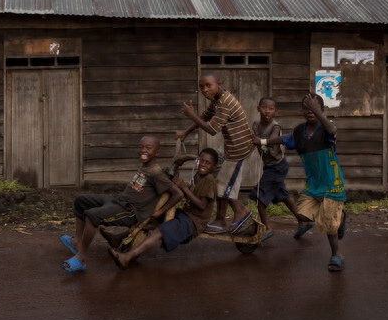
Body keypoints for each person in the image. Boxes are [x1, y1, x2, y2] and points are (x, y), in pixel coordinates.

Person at [59, 135, 180, 272]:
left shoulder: (156, 173)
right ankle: (77, 242)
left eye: (148, 148)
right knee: (81, 201)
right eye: (141, 147)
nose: (143, 150)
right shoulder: (146, 167)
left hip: (131, 210)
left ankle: (81, 258)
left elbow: (178, 194)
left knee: (92, 216)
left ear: (157, 153)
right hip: (119, 200)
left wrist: (160, 212)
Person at [109, 148, 219, 269]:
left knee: (162, 230)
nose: (203, 164)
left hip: (194, 222)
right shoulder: (198, 175)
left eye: (207, 163)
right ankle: (119, 238)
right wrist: (180, 186)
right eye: (201, 161)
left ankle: (126, 258)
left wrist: (184, 188)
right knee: (153, 217)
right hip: (185, 214)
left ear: (214, 167)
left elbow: (202, 205)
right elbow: (191, 194)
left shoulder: (209, 180)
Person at [176, 73, 255, 232]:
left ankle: (239, 213)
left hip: (238, 148)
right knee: (217, 179)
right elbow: (205, 116)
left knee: (223, 185)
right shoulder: (217, 99)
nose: (205, 90)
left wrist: (191, 115)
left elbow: (212, 129)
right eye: (202, 87)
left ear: (219, 84)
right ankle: (221, 218)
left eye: (208, 85)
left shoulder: (225, 102)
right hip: (229, 145)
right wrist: (186, 132)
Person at [279, 94, 348, 272]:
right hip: (313, 184)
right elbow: (283, 140)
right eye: (307, 108)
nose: (310, 112)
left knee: (328, 223)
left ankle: (337, 255)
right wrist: (261, 141)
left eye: (315, 108)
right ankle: (339, 216)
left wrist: (318, 112)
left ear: (322, 110)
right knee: (302, 215)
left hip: (332, 182)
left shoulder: (326, 127)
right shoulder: (299, 131)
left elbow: (332, 131)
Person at [248, 97, 308, 239]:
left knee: (260, 197)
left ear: (275, 111)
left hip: (277, 166)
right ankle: (303, 221)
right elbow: (251, 139)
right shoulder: (255, 125)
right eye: (264, 108)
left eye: (271, 109)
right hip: (270, 166)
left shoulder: (275, 127)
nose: (267, 111)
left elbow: (272, 140)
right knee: (283, 195)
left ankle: (267, 228)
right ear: (258, 109)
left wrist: (259, 141)